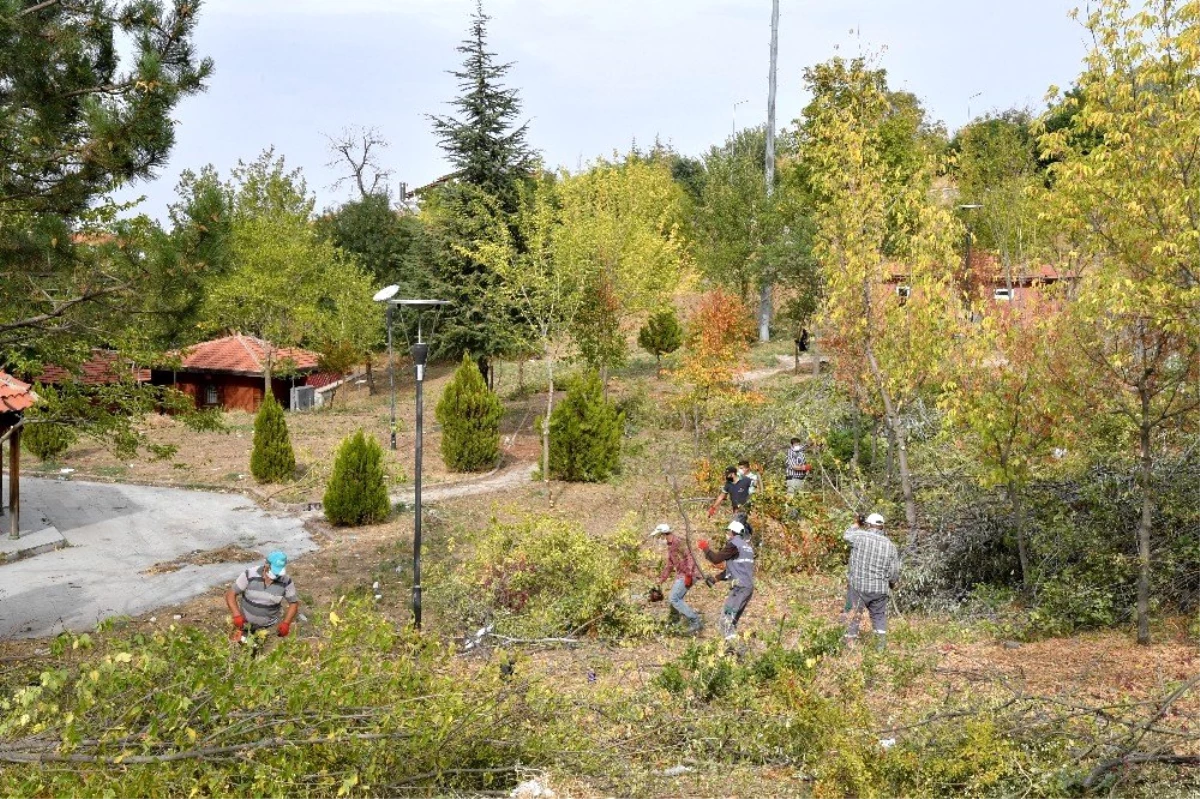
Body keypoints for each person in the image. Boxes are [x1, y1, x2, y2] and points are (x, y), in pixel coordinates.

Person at [844, 513, 901, 650]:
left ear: (868, 525)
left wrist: (858, 523)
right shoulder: (890, 546)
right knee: (879, 617)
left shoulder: (860, 536)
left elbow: (846, 535)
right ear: (882, 527)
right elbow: (894, 572)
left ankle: (849, 648)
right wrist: (892, 583)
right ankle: (880, 649)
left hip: (858, 587)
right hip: (880, 589)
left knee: (853, 614)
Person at [698, 519, 755, 640]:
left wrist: (705, 548)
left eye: (728, 531)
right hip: (747, 588)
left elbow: (716, 559)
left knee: (725, 622)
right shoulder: (747, 548)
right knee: (731, 622)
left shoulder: (734, 545)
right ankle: (732, 653)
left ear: (733, 532)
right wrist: (715, 579)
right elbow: (735, 570)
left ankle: (736, 651)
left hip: (739, 589)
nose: (727, 534)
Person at [226, 550, 300, 643]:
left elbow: (293, 603)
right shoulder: (250, 574)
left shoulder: (286, 581)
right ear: (266, 565)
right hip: (244, 625)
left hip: (269, 628)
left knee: (263, 653)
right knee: (240, 649)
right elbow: (231, 594)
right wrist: (236, 615)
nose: (276, 575)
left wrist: (286, 623)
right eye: (274, 571)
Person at [651, 523, 707, 635]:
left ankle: (695, 621)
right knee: (675, 599)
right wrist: (661, 580)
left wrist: (689, 574)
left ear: (664, 535)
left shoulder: (679, 542)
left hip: (689, 574)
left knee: (674, 598)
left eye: (658, 537)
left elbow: (690, 557)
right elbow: (669, 565)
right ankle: (674, 623)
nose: (658, 540)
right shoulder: (671, 547)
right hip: (682, 574)